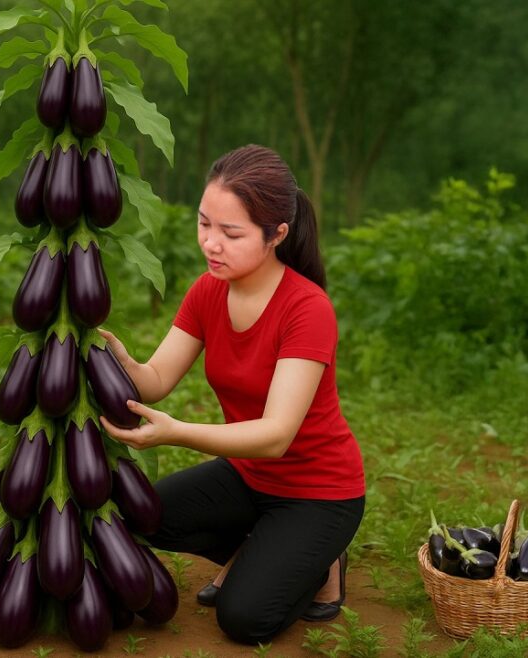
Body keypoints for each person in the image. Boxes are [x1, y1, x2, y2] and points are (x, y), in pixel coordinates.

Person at [98, 144, 366, 646]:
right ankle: (266, 547)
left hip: (318, 492)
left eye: (231, 233)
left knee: (243, 618)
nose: (211, 244)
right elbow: (155, 378)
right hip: (249, 478)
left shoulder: (307, 309)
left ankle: (322, 559)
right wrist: (117, 360)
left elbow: (276, 436)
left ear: (277, 235)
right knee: (141, 513)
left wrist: (176, 433)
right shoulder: (208, 291)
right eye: (204, 224)